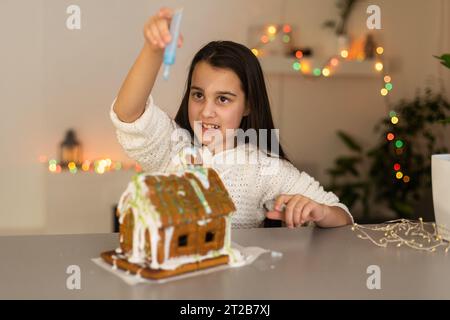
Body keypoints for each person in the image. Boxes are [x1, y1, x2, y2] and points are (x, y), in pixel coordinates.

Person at [110, 7, 353, 229]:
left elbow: (341, 215)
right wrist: (153, 50)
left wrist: (319, 211)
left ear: (248, 105)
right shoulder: (172, 146)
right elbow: (128, 114)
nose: (206, 111)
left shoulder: (263, 169)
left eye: (223, 99)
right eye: (198, 95)